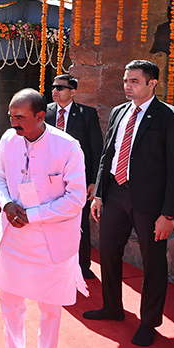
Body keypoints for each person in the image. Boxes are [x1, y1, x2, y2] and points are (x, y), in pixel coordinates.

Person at [83, 60, 174, 347]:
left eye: (134, 81)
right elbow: (108, 155)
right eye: (125, 81)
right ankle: (112, 307)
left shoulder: (172, 117)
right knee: (107, 252)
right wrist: (100, 195)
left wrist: (169, 214)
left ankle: (149, 322)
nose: (127, 86)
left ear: (152, 83)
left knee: (152, 262)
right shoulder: (119, 112)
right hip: (115, 195)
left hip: (151, 204)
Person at [0, 88, 87, 348]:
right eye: (11, 116)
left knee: (50, 309)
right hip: (14, 236)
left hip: (52, 242)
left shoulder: (67, 146)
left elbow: (76, 198)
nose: (13, 123)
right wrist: (7, 203)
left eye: (20, 118)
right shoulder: (8, 140)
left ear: (41, 115)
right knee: (10, 303)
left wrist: (33, 216)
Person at [44, 74, 103, 280]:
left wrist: (94, 181)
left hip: (78, 179)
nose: (55, 91)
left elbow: (97, 150)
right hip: (49, 179)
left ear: (73, 91)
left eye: (60, 87)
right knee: (50, 221)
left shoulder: (87, 114)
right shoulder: (46, 112)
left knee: (80, 223)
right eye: (53, 87)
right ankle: (52, 262)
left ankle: (83, 265)